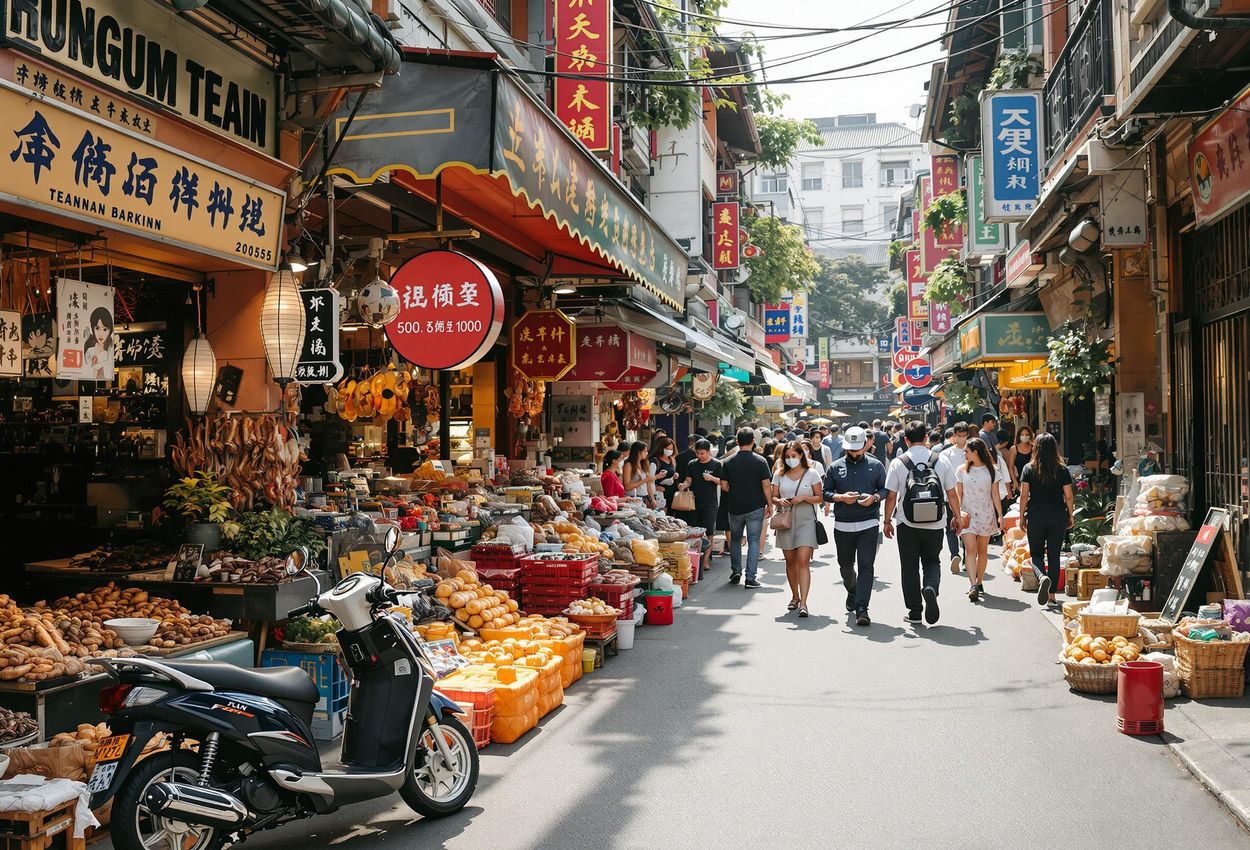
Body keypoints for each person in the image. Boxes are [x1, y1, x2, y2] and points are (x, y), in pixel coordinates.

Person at [883, 421, 961, 626]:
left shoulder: (899, 462)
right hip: (936, 523)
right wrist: (958, 517)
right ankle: (931, 587)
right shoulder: (941, 460)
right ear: (926, 438)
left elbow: (891, 496)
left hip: (906, 523)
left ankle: (915, 612)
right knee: (932, 560)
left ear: (906, 440)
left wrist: (887, 521)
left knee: (909, 567)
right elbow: (952, 493)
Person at [823, 426, 886, 626]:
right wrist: (840, 497)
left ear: (865, 446)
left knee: (866, 565)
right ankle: (852, 589)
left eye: (857, 450)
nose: (854, 453)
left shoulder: (876, 466)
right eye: (850, 450)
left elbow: (885, 489)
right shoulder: (835, 466)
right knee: (845, 565)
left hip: (869, 522)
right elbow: (825, 493)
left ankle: (862, 608)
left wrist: (874, 498)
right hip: (843, 524)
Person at [1018, 432, 1074, 607]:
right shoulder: (1063, 469)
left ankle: (1042, 577)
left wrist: (1021, 516)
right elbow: (1069, 496)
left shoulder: (1029, 468)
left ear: (1036, 448)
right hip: (1058, 515)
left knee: (1036, 554)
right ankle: (1052, 597)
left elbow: (1024, 494)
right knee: (1054, 555)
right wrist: (1070, 515)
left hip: (1036, 515)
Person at [772, 441, 824, 617]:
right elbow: (773, 496)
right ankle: (794, 596)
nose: (790, 459)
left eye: (794, 456)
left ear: (801, 455)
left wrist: (803, 498)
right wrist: (779, 501)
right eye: (787, 457)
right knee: (790, 562)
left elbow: (819, 498)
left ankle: (804, 602)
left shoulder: (812, 473)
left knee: (803, 561)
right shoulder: (779, 474)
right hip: (786, 519)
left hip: (806, 519)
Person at [720, 428, 773, 588]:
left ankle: (736, 571)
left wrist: (736, 490)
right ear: (753, 441)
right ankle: (750, 578)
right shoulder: (760, 461)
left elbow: (723, 486)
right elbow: (766, 484)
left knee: (735, 540)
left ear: (737, 441)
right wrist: (770, 504)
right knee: (754, 541)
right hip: (755, 506)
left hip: (735, 506)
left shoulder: (728, 461)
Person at [956, 438, 1003, 602]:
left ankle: (980, 581)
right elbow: (958, 495)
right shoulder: (961, 470)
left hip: (986, 514)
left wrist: (1000, 515)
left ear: (975, 452)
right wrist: (956, 514)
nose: (964, 454)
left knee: (982, 551)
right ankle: (972, 585)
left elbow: (995, 494)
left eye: (966, 451)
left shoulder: (992, 470)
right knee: (970, 549)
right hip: (967, 515)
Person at [676, 439, 723, 558]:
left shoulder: (717, 464)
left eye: (702, 453)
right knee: (694, 530)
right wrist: (684, 485)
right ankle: (696, 556)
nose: (699, 456)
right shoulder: (692, 464)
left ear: (708, 452)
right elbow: (688, 480)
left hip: (710, 503)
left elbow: (723, 482)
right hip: (693, 502)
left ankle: (706, 559)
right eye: (697, 453)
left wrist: (712, 478)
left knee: (709, 531)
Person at [938, 422, 970, 574]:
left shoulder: (972, 451)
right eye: (959, 436)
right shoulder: (946, 454)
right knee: (951, 527)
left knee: (966, 528)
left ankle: (964, 557)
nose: (962, 439)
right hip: (950, 496)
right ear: (954, 436)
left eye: (964, 436)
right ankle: (955, 556)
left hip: (969, 496)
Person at [650, 437, 678, 510]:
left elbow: (672, 473)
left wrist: (674, 476)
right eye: (667, 449)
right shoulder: (655, 461)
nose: (669, 451)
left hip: (671, 492)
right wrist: (655, 487)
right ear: (661, 448)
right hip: (659, 493)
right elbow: (649, 479)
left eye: (671, 449)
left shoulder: (672, 460)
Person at [1012, 425, 1036, 493]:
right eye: (1022, 434)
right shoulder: (1014, 449)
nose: (1024, 436)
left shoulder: (1034, 448)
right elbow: (1010, 467)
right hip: (1020, 481)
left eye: (1027, 434)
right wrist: (1014, 481)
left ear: (1030, 435)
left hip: (1033, 480)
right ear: (1019, 436)